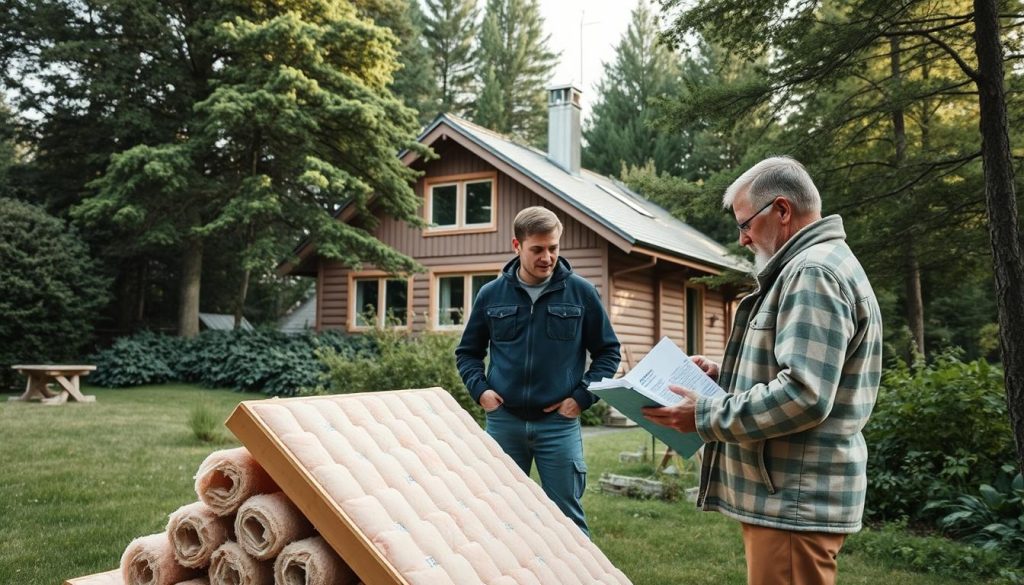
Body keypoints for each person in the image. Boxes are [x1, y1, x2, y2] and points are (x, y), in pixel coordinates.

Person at [643, 156, 883, 585]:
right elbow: (798, 372)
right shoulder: (814, 265)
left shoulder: (812, 273)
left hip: (794, 502)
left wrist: (703, 415)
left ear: (782, 210)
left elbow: (805, 395)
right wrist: (723, 378)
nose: (742, 238)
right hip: (788, 499)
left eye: (745, 224)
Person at [456, 205, 621, 536]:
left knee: (567, 522)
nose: (547, 257)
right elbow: (468, 353)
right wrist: (482, 392)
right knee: (498, 518)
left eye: (554, 248)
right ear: (517, 246)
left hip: (558, 427)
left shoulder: (581, 293)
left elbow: (608, 353)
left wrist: (581, 398)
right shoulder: (490, 295)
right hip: (504, 423)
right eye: (538, 249)